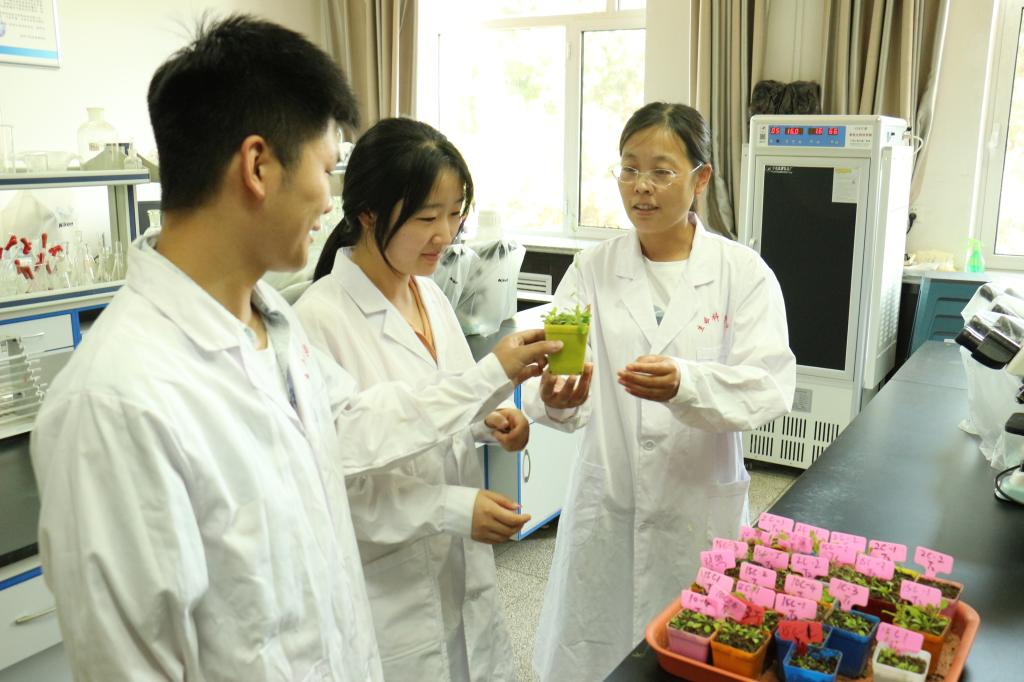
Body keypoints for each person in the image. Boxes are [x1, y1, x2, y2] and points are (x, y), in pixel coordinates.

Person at [29, 15, 561, 681]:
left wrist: (486, 394)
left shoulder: (273, 327)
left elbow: (358, 432)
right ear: (258, 166)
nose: (329, 199)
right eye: (327, 167)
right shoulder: (114, 402)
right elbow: (131, 664)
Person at [525, 101, 797, 681]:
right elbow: (560, 365)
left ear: (700, 179)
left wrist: (688, 383)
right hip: (610, 498)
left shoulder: (743, 273)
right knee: (596, 652)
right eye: (628, 169)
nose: (641, 187)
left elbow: (769, 385)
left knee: (695, 655)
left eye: (661, 171)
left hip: (697, 505)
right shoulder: (591, 269)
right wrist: (557, 397)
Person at [295, 117, 524, 681]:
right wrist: (452, 508)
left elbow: (444, 402)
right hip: (389, 596)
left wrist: (488, 421)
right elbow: (335, 484)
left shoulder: (429, 295)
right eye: (426, 217)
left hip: (460, 575)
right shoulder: (318, 320)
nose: (444, 235)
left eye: (454, 214)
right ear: (369, 213)